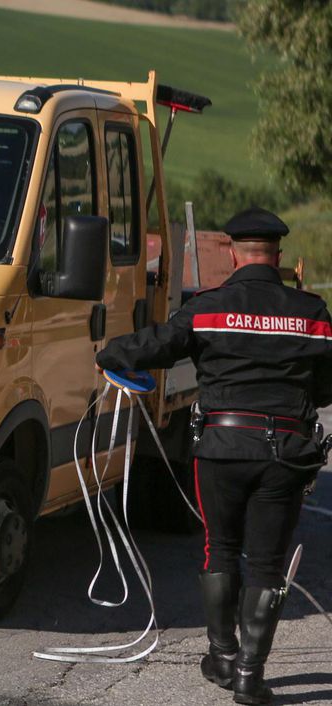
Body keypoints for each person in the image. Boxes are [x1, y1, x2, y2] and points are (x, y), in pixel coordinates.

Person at [95, 207, 332, 705]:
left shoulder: (209, 306)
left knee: (219, 549)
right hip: (285, 454)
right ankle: (249, 675)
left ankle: (222, 655)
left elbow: (157, 345)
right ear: (278, 256)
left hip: (221, 450)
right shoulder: (312, 313)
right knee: (267, 563)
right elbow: (328, 388)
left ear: (232, 252)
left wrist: (110, 353)